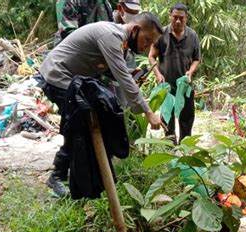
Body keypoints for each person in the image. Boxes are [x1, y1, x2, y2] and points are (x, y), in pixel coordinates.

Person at [39, 13, 166, 197]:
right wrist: (148, 112)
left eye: (150, 44)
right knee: (79, 127)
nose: (146, 47)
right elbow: (123, 79)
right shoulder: (111, 36)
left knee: (85, 125)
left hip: (71, 79)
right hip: (58, 75)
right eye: (146, 40)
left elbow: (112, 71)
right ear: (135, 30)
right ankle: (59, 177)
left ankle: (87, 179)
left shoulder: (120, 42)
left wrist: (131, 72)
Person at [148, 3, 201, 144]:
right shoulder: (161, 34)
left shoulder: (193, 35)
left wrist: (190, 71)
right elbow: (151, 56)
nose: (178, 21)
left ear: (186, 18)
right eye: (175, 17)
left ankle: (185, 149)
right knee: (167, 119)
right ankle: (170, 150)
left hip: (185, 85)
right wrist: (157, 74)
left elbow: (197, 59)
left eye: (181, 18)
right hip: (166, 86)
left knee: (186, 119)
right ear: (170, 16)